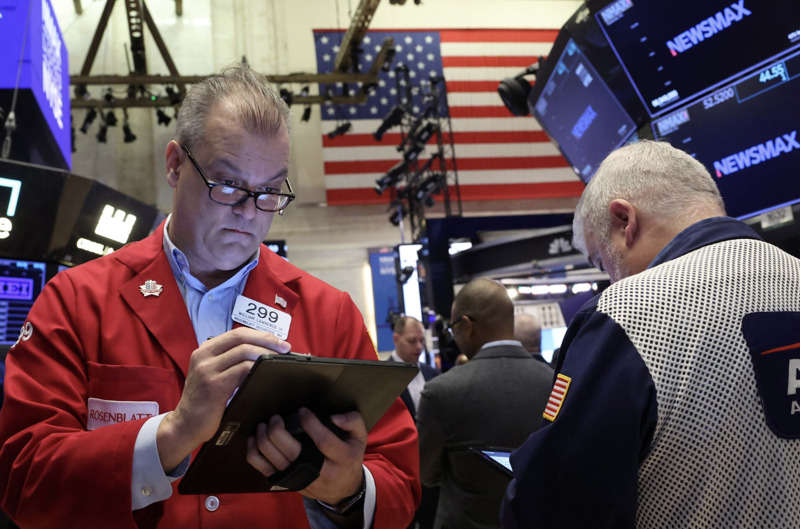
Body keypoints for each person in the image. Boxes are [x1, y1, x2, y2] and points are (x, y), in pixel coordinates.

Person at [0, 63, 419, 529]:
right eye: (229, 184)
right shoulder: (77, 301)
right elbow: (22, 477)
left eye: (269, 191)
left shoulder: (330, 313)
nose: (250, 213)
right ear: (175, 165)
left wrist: (348, 490)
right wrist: (171, 434)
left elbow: (400, 484)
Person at [501, 140, 800, 528]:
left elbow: (553, 505)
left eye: (601, 261)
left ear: (625, 219)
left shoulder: (625, 313)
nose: (610, 278)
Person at [417, 278, 554, 529]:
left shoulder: (441, 392)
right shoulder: (555, 383)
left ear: (466, 325)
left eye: (453, 329)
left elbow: (426, 473)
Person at [387, 315, 440, 529]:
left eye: (421, 341)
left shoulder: (433, 374)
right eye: (412, 341)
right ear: (396, 339)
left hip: (430, 473)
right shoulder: (382, 375)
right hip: (397, 472)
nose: (418, 347)